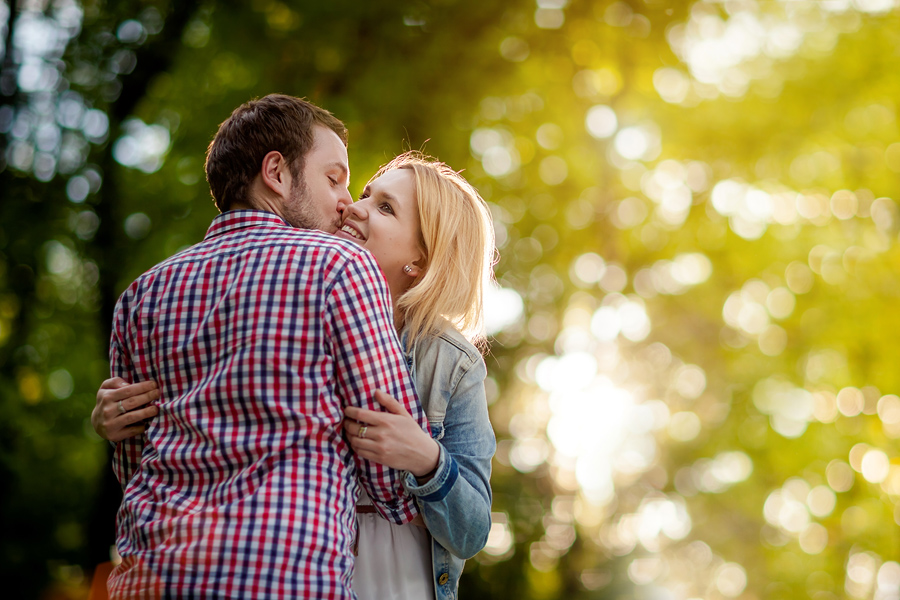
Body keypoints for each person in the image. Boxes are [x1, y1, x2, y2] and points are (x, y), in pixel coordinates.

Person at [94, 152, 497, 600]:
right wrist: (126, 419)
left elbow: (472, 531)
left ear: (420, 259)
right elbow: (204, 441)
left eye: (385, 208)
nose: (354, 207)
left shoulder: (452, 363)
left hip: (396, 579)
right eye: (365, 194)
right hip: (283, 571)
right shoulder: (281, 308)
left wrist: (427, 459)